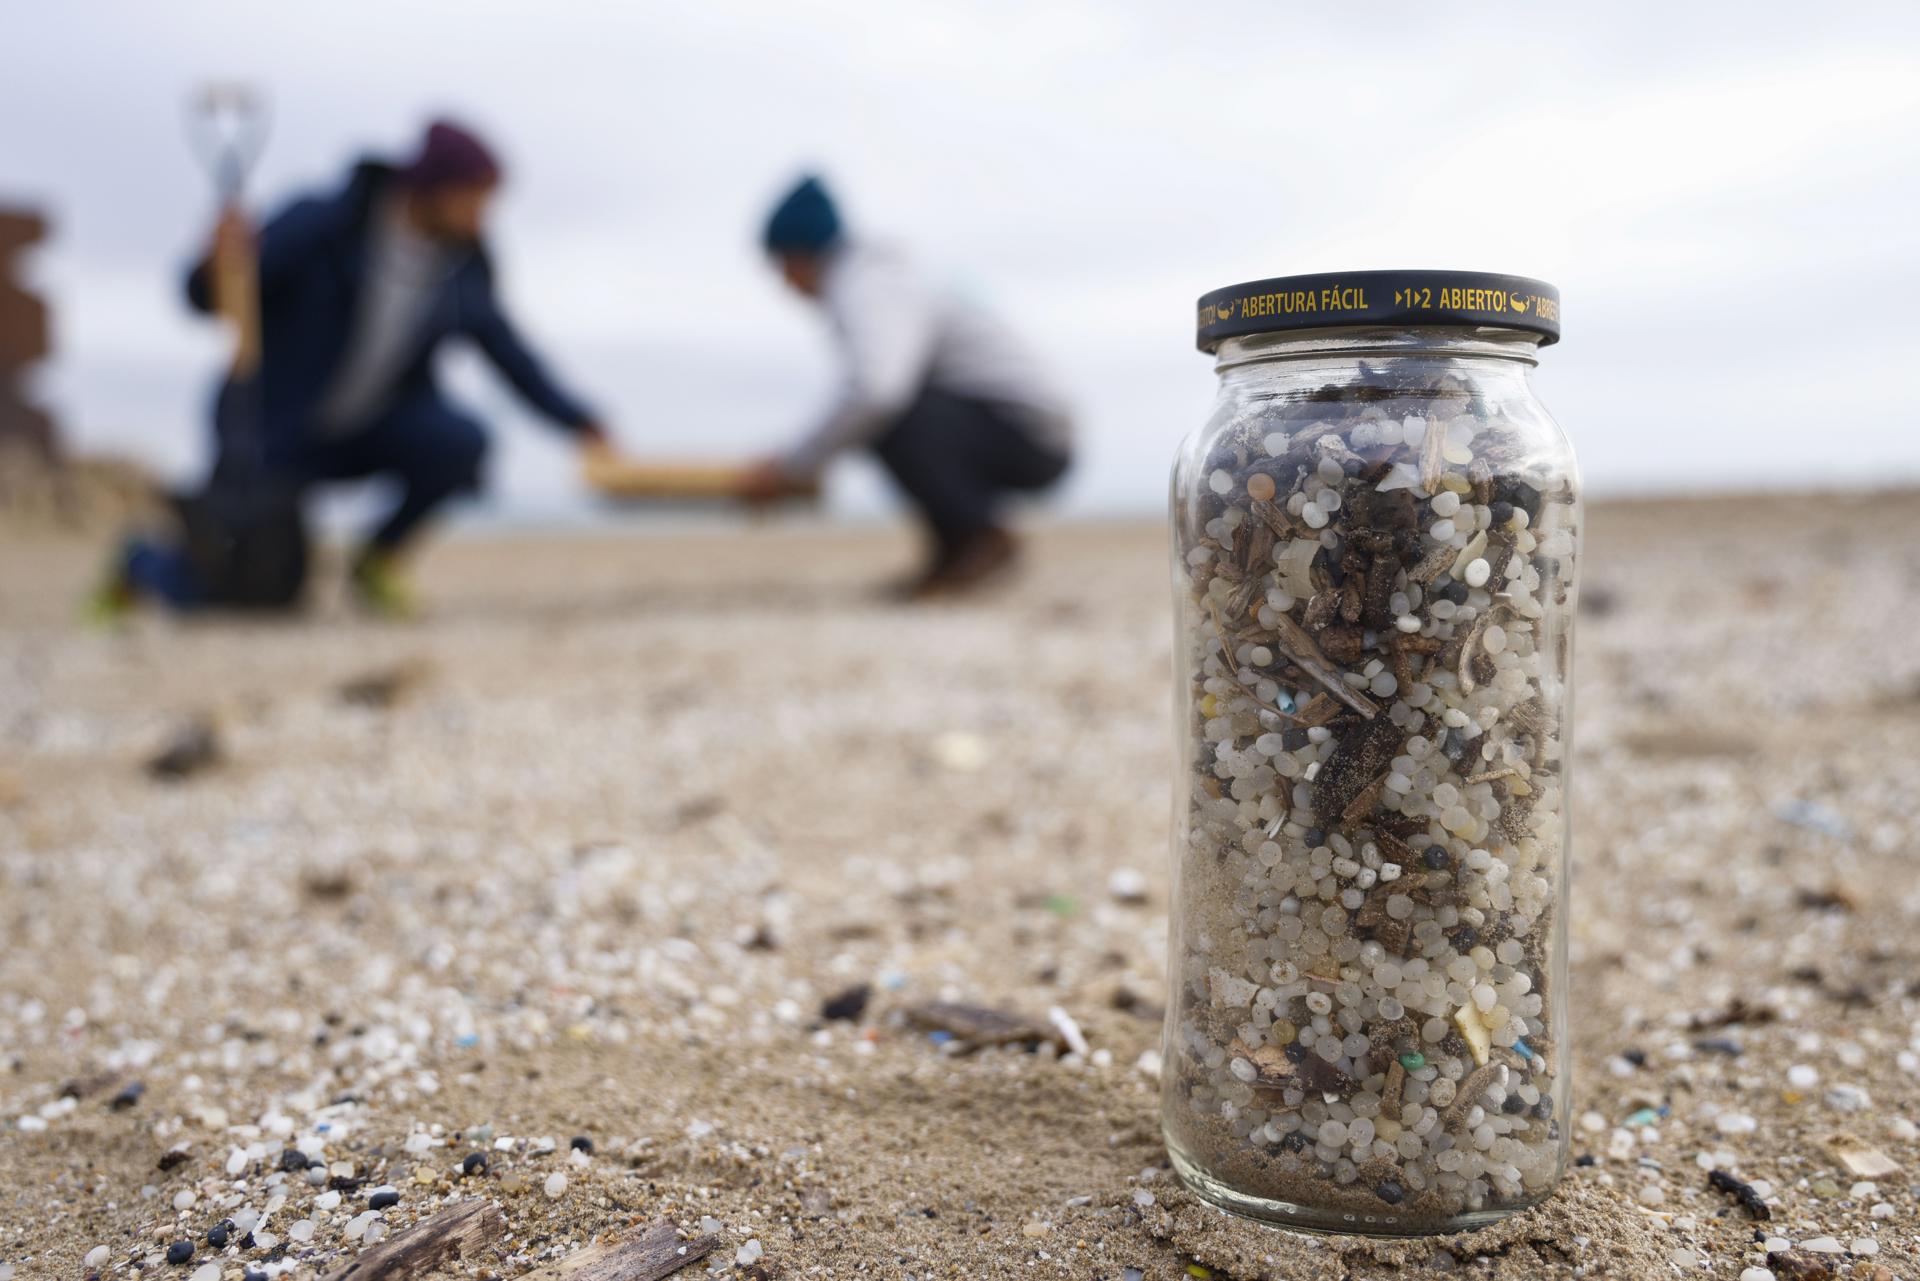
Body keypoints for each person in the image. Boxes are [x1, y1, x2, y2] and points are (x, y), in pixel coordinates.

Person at [125, 119, 609, 617]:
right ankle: (140, 563)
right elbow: (208, 300)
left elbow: (507, 351)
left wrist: (576, 419)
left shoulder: (464, 264)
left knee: (462, 442)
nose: (481, 217)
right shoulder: (324, 222)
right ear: (435, 189)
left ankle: (376, 560)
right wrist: (216, 263)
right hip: (270, 427)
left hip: (373, 427)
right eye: (474, 199)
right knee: (249, 596)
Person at [740, 175, 1072, 597]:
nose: (784, 283)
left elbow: (875, 391)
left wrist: (791, 466)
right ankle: (955, 552)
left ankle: (980, 539)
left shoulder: (867, 284)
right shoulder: (876, 278)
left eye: (781, 265)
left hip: (1030, 435)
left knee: (887, 414)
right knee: (889, 413)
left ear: (801, 253)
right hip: (1016, 424)